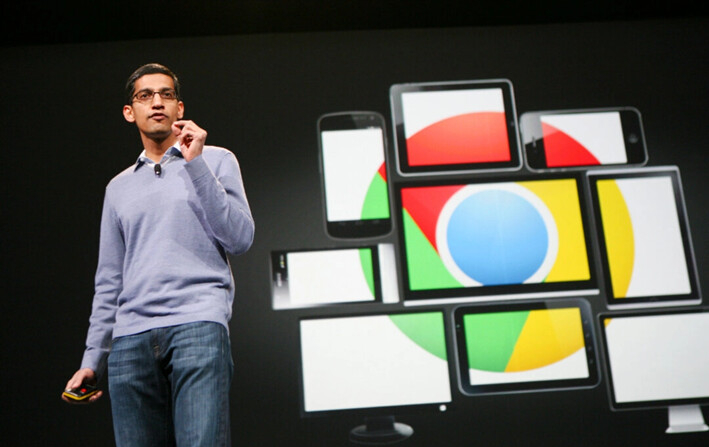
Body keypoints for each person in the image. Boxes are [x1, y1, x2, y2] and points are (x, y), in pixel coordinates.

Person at [62, 63, 255, 447]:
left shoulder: (216, 160)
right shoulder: (118, 188)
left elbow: (240, 238)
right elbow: (109, 280)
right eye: (145, 95)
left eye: (166, 94)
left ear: (179, 109)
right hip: (130, 340)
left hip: (198, 324)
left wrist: (194, 162)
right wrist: (91, 359)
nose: (157, 102)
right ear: (129, 112)